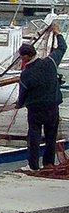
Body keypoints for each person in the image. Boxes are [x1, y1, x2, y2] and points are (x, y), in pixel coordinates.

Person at [16, 24, 67, 170]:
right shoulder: (50, 62)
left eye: (21, 56)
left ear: (26, 56)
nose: (21, 59)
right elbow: (63, 47)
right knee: (51, 137)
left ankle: (33, 166)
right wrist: (57, 33)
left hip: (36, 110)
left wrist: (19, 104)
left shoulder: (26, 74)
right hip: (52, 107)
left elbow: (22, 94)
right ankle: (49, 163)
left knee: (34, 138)